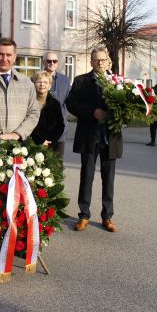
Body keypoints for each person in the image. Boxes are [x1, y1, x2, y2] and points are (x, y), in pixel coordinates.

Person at [66, 46, 123, 233]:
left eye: (103, 60)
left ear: (109, 61)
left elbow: (127, 106)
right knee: (87, 176)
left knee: (109, 179)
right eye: (96, 60)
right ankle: (84, 215)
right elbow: (71, 103)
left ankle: (107, 216)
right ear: (91, 62)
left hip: (110, 137)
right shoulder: (81, 81)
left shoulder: (119, 82)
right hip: (89, 136)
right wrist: (92, 112)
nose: (100, 63)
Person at [42, 51, 71, 154]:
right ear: (43, 62)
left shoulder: (65, 81)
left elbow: (68, 102)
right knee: (40, 162)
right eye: (49, 61)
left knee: (57, 162)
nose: (52, 63)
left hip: (60, 128)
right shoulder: (36, 79)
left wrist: (63, 116)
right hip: (41, 128)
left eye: (55, 61)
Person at [30, 71, 65, 150]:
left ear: (49, 86)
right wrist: (40, 140)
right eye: (39, 82)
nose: (42, 85)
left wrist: (50, 141)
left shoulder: (55, 104)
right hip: (30, 145)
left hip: (49, 146)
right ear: (34, 84)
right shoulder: (28, 102)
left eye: (45, 82)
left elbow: (60, 126)